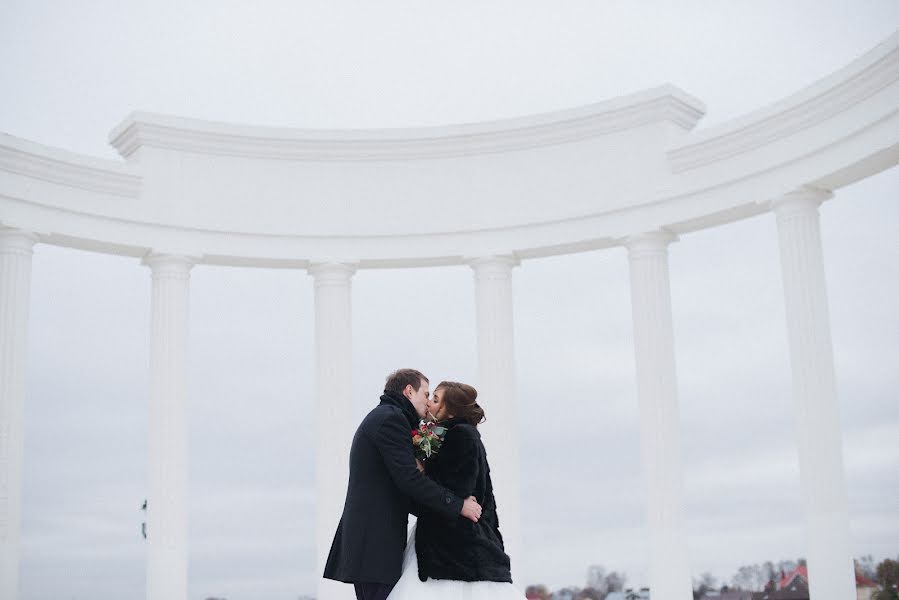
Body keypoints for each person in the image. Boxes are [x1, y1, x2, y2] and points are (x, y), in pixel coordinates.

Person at [323, 369, 483, 600]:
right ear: (409, 391)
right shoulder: (390, 419)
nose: (428, 402)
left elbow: (400, 489)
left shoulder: (388, 417)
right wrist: (459, 505)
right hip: (374, 546)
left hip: (373, 545)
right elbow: (409, 480)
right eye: (426, 394)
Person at [387, 381, 524, 599]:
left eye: (435, 399)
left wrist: (419, 471)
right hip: (448, 537)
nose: (429, 404)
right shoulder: (444, 434)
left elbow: (459, 486)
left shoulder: (461, 435)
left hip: (454, 544)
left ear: (450, 411)